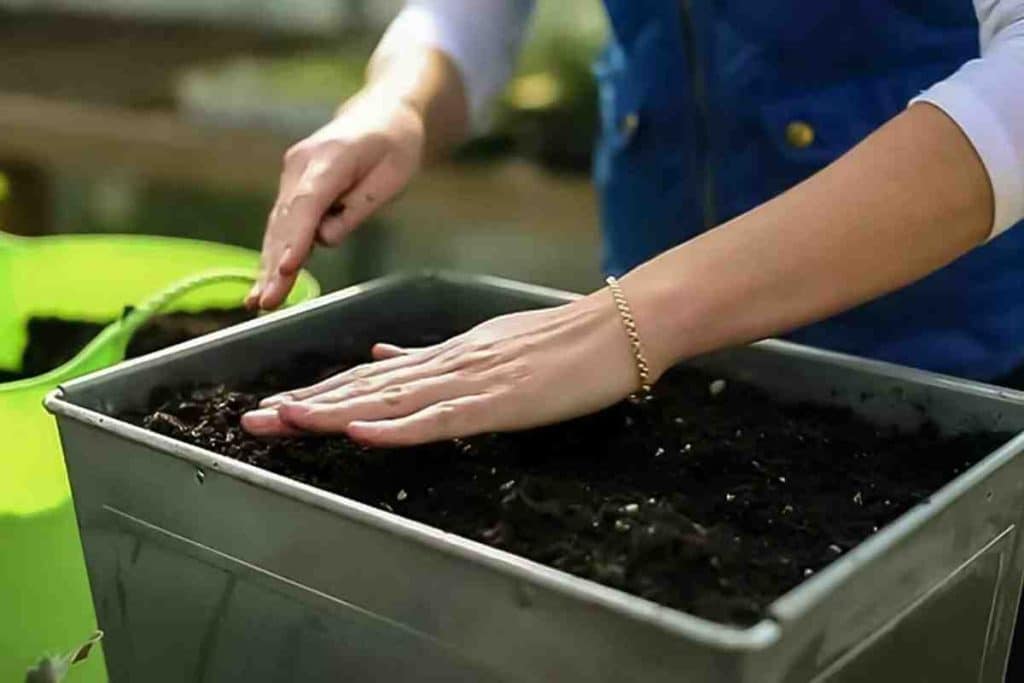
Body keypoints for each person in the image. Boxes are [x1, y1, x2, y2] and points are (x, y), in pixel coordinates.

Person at [242, 0, 1024, 445]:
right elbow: (469, 14)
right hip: (657, 352)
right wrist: (398, 105)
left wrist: (633, 320)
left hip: (943, 356)